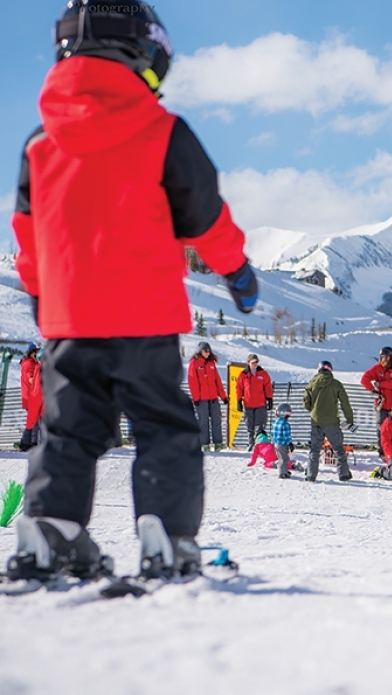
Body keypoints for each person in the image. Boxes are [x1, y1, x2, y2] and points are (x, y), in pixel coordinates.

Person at [6, 0, 257, 583]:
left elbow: (28, 236)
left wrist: (46, 300)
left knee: (68, 430)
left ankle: (52, 531)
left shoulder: (40, 144)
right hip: (143, 316)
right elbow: (204, 216)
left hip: (70, 322)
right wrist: (237, 271)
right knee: (163, 426)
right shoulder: (162, 130)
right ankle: (167, 539)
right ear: (143, 52)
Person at [303, 360, 354, 482]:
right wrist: (349, 419)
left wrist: (314, 411)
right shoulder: (336, 384)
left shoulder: (312, 383)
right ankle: (343, 474)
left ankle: (311, 475)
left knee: (315, 449)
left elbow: (306, 402)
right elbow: (345, 403)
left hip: (316, 421)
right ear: (330, 370)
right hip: (332, 422)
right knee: (338, 449)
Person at [361, 347, 392, 458]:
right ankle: (382, 451)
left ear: (391, 357)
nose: (384, 359)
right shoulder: (378, 368)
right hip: (382, 404)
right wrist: (373, 390)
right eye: (382, 357)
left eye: (386, 356)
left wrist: (381, 384)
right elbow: (364, 379)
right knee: (381, 428)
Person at [187, 341, 227, 451]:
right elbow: (192, 382)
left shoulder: (211, 363)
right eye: (206, 350)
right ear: (200, 351)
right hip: (202, 399)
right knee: (203, 422)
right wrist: (196, 398)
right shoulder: (194, 363)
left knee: (216, 420)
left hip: (213, 398)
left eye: (209, 350)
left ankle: (218, 443)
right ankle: (205, 444)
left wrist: (223, 396)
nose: (208, 353)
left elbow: (217, 381)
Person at [236, 354, 273, 449]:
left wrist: (269, 398)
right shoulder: (243, 374)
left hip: (260, 403)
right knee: (249, 425)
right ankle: (251, 443)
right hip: (248, 404)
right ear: (248, 363)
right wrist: (239, 400)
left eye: (256, 362)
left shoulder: (263, 373)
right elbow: (239, 388)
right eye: (253, 362)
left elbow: (268, 386)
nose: (255, 364)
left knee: (260, 425)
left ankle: (259, 444)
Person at [17, 343, 40, 452]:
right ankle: (30, 443)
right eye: (36, 351)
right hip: (32, 397)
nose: (38, 354)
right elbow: (30, 376)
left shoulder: (32, 363)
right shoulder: (29, 364)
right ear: (31, 352)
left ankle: (28, 443)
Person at [271, 403, 294, 480]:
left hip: (276, 443)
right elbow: (286, 436)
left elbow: (273, 433)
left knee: (281, 457)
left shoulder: (275, 423)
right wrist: (290, 443)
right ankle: (282, 473)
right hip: (283, 444)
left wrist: (273, 441)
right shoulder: (285, 424)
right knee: (284, 458)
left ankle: (284, 471)